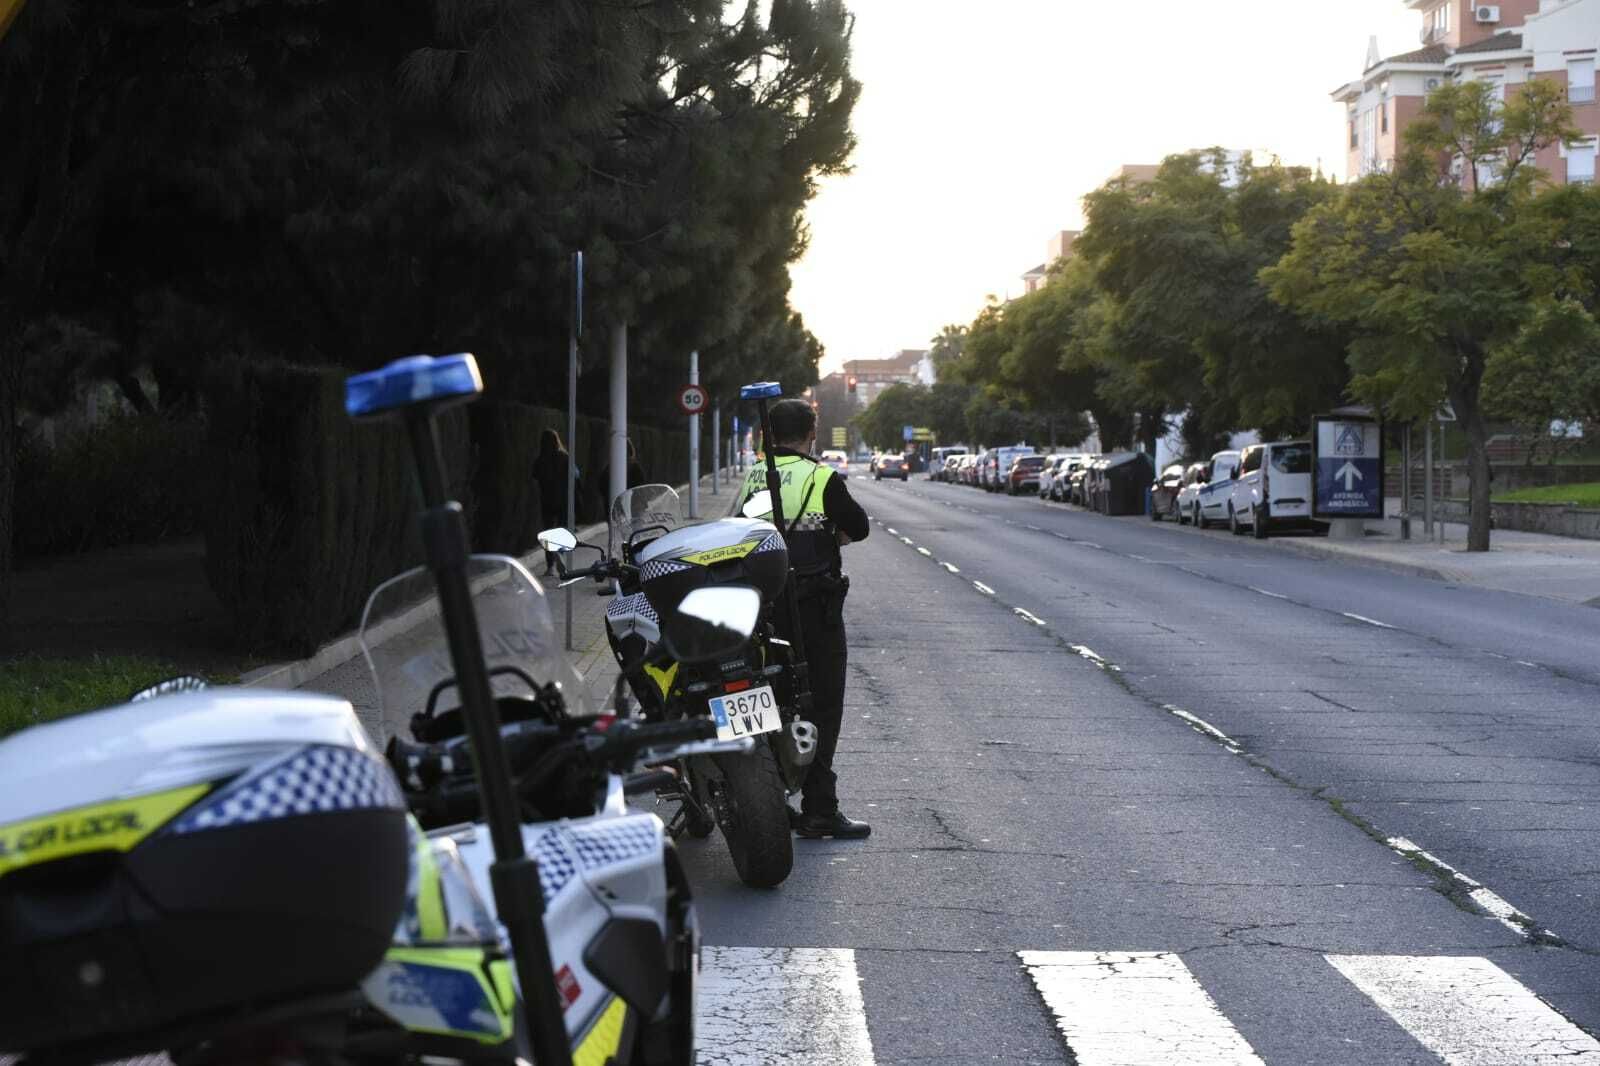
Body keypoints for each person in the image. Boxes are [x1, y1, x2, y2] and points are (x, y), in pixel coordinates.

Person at [734, 398, 871, 839]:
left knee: (764, 700)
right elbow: (859, 526)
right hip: (815, 609)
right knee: (823, 703)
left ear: (769, 435)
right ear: (812, 432)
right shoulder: (822, 477)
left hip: (764, 608)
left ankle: (766, 799)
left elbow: (740, 532)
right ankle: (819, 807)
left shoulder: (754, 475)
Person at [534, 429, 576, 576]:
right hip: (563, 500)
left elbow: (534, 477)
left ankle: (550, 566)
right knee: (562, 530)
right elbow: (576, 474)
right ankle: (561, 555)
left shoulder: (540, 460)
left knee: (548, 532)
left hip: (546, 501)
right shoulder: (565, 457)